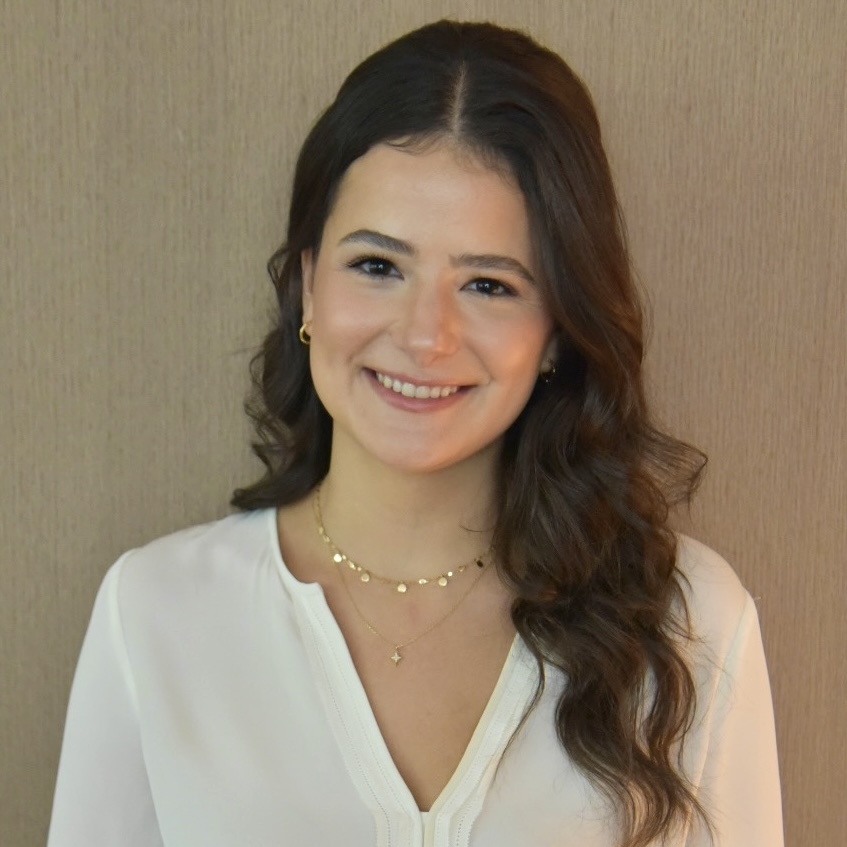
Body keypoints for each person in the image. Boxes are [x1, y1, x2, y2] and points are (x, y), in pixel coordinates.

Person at [47, 19, 783, 847]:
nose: (425, 336)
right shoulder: (154, 615)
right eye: (377, 266)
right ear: (308, 287)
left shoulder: (688, 624)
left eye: (488, 284)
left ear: (556, 330)